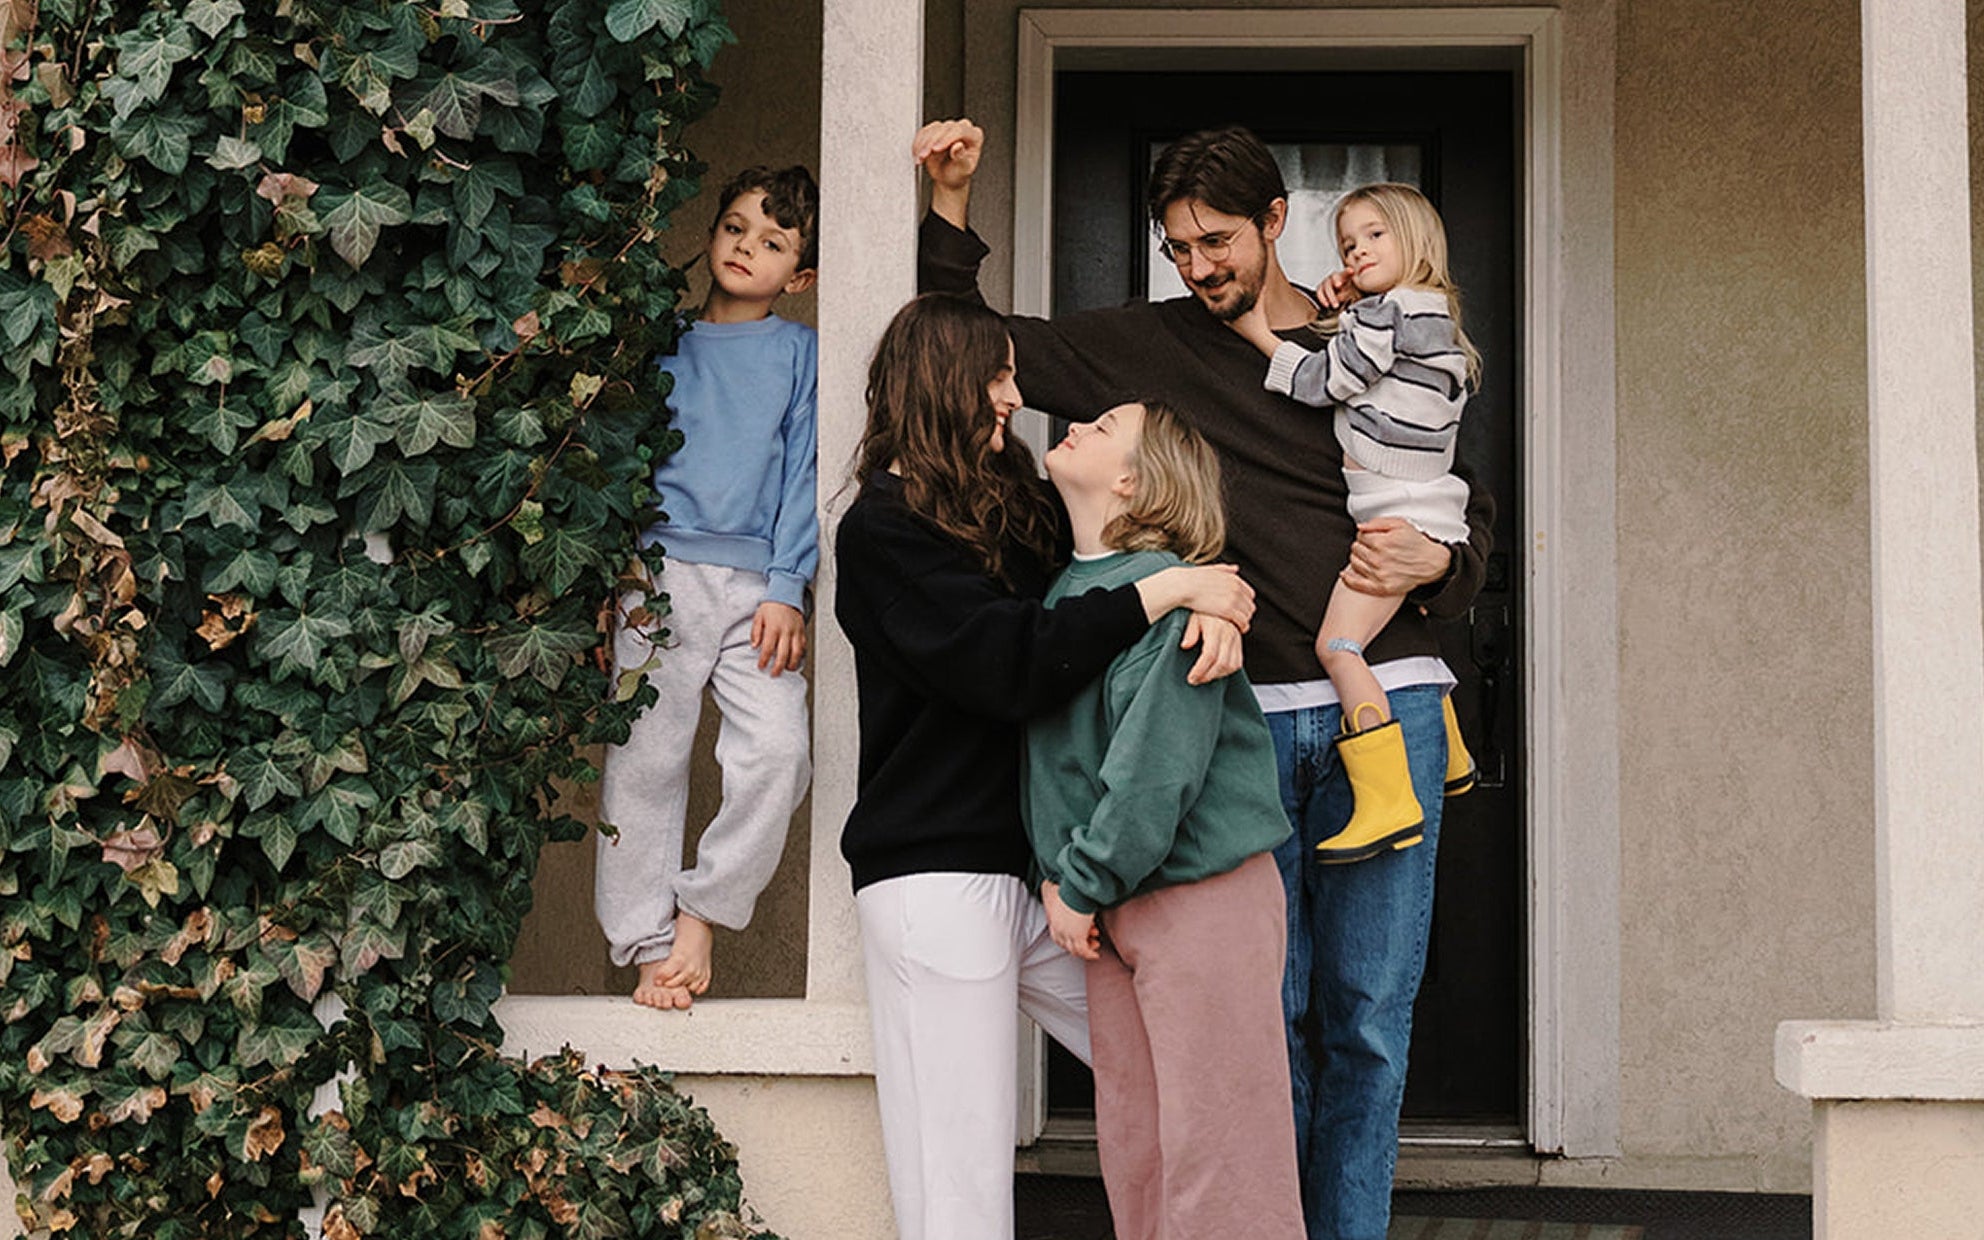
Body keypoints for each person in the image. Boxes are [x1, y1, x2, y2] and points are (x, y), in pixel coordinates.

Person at [912, 119, 1493, 1240]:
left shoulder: (1366, 335)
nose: (1198, 265)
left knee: (1368, 1019)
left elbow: (1454, 494)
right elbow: (973, 343)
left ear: (1276, 220)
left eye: (1216, 240)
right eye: (1176, 247)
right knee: (1259, 1026)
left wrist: (1443, 564)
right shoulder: (1151, 344)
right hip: (1247, 717)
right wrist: (950, 205)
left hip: (1395, 697)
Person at [834, 293, 1257, 1240]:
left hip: (1038, 878)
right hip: (935, 877)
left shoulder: (1010, 499)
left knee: (1166, 1065)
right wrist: (1170, 590)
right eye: (996, 377)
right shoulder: (883, 531)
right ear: (947, 383)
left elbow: (1101, 580)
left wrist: (1210, 601)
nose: (1013, 397)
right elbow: (1011, 663)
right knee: (960, 1181)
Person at [1024, 398, 1304, 1240]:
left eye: (1103, 427)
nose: (1075, 425)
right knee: (1141, 1151)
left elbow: (1155, 775)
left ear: (1134, 481)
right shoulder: (1071, 589)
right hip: (1113, 905)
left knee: (1221, 1157)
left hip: (1197, 897)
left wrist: (1078, 882)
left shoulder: (1178, 608)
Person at [595, 165, 821, 1011]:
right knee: (646, 762)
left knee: (777, 753)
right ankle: (649, 947)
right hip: (656, 578)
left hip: (758, 587)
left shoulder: (801, 354)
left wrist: (787, 585)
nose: (745, 248)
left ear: (798, 277)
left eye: (771, 242)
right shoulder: (663, 342)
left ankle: (704, 911)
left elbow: (804, 473)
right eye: (734, 227)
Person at [1229, 181, 1481, 862]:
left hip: (1392, 515)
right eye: (1347, 242)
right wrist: (1351, 305)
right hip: (1429, 512)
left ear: (1416, 240)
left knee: (1338, 647)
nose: (1359, 250)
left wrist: (1257, 332)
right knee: (1385, 634)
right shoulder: (1428, 314)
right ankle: (1451, 752)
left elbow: (1325, 383)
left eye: (1376, 235)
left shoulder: (1388, 314)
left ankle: (1387, 797)